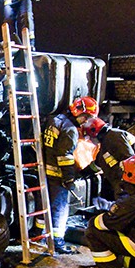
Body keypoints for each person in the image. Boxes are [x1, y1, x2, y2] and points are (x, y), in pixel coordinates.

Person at [40, 96, 98, 254]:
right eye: (88, 118)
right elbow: (65, 157)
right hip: (58, 175)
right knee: (60, 208)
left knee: (45, 205)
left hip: (46, 171)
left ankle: (40, 235)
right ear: (82, 114)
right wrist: (69, 178)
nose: (88, 122)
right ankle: (57, 241)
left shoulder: (55, 120)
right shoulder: (71, 130)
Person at [84, 155, 135, 268]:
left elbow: (106, 223)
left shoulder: (131, 201)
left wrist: (99, 216)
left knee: (93, 229)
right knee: (120, 233)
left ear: (130, 174)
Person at [80, 116, 135, 198]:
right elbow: (97, 165)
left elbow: (131, 162)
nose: (91, 141)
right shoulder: (107, 143)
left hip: (132, 187)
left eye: (89, 138)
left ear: (93, 132)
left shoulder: (113, 137)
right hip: (130, 187)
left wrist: (124, 189)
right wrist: (81, 174)